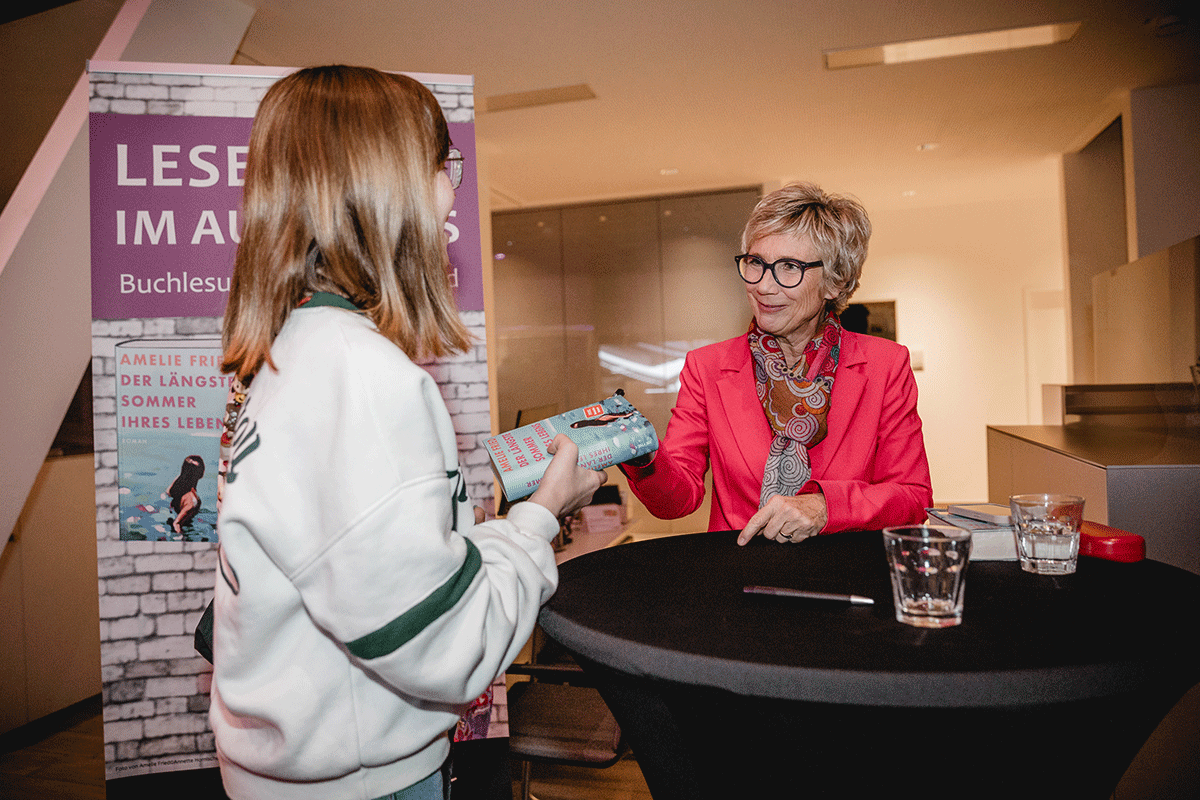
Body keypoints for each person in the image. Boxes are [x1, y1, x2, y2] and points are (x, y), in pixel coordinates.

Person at [209, 65, 605, 800]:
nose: (451, 188)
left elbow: (382, 576)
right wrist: (543, 514)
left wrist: (492, 536)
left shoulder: (284, 351)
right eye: (442, 163)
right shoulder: (365, 379)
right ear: (391, 182)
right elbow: (443, 647)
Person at [621, 182, 931, 544]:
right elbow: (678, 500)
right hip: (741, 580)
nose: (764, 286)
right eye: (756, 263)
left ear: (836, 281)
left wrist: (825, 508)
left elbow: (913, 498)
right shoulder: (706, 368)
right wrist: (641, 454)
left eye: (789, 267)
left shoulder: (885, 365)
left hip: (847, 575)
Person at [166, 454, 204, 533]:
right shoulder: (192, 501)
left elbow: (168, 493)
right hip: (181, 526)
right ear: (201, 474)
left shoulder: (176, 485)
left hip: (166, 516)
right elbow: (176, 524)